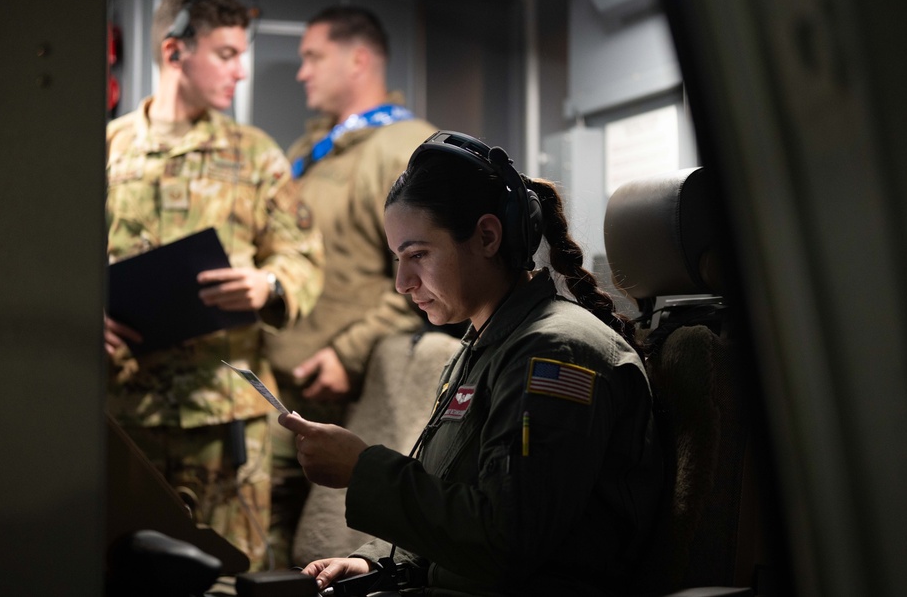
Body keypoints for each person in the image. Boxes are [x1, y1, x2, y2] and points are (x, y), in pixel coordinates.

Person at [279, 131, 664, 595]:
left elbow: (506, 541)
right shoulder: (484, 349)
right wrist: (380, 563)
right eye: (398, 259)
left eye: (418, 255)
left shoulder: (555, 353)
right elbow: (459, 506)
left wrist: (362, 469)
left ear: (486, 236)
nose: (403, 282)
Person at [104, 0, 324, 571]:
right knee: (125, 572)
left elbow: (303, 256)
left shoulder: (254, 155)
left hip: (225, 419)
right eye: (226, 54)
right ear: (175, 52)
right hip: (128, 413)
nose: (242, 71)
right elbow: (49, 263)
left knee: (233, 573)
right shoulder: (105, 149)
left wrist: (269, 286)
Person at [263, 5, 437, 565]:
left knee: (320, 558)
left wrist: (348, 352)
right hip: (280, 401)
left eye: (313, 56)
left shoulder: (402, 147)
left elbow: (431, 273)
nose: (302, 71)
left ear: (358, 58)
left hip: (350, 400)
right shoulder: (308, 153)